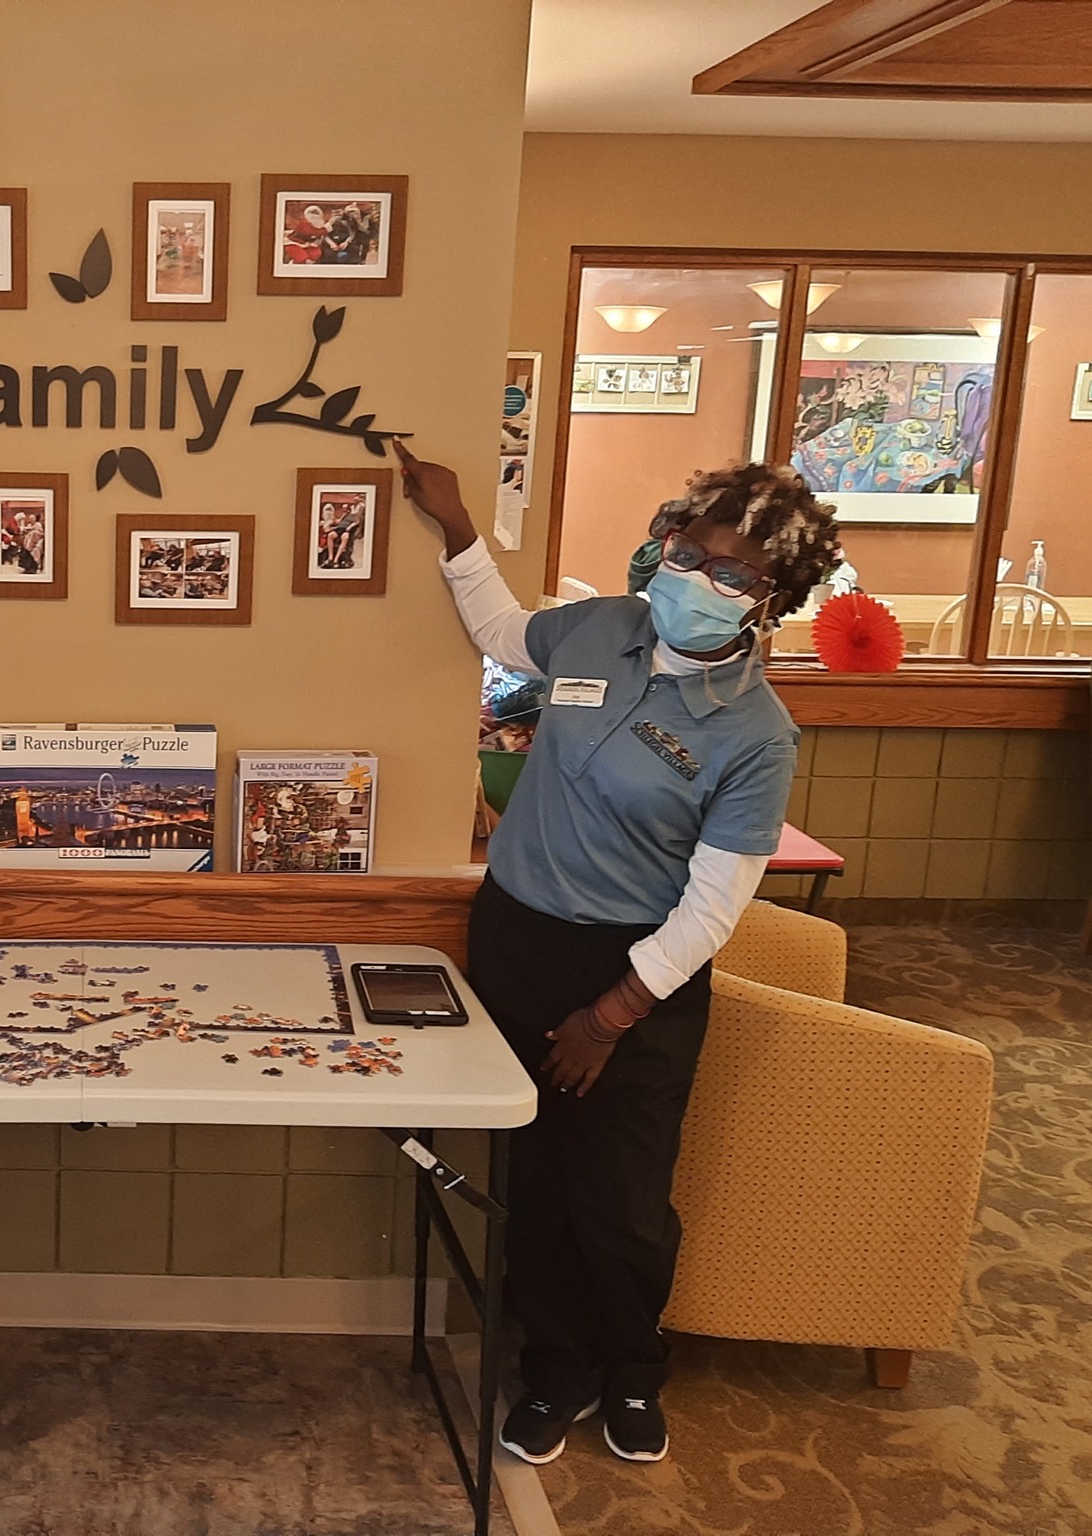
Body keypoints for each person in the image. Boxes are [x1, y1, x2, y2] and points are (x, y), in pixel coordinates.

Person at [393, 441, 839, 1469]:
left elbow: (712, 904)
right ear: (667, 539)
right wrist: (456, 524)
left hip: (636, 971)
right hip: (513, 938)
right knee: (536, 1179)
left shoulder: (755, 735)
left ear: (769, 599)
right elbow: (503, 633)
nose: (702, 580)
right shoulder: (600, 628)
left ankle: (632, 1374)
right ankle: (551, 1372)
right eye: (694, 551)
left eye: (736, 574)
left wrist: (610, 1014)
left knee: (623, 1200)